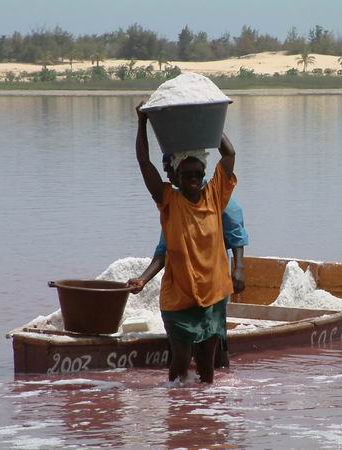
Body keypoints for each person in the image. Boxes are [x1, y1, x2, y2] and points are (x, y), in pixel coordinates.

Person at [128, 103, 239, 383]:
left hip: (213, 295)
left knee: (207, 370)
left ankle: (202, 409)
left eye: (197, 175)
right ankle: (177, 408)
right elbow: (144, 164)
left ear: (204, 175)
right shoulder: (169, 201)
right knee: (179, 365)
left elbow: (229, 154)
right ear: (176, 177)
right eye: (186, 175)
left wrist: (208, 118)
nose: (193, 180)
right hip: (178, 298)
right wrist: (142, 123)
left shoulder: (214, 195)